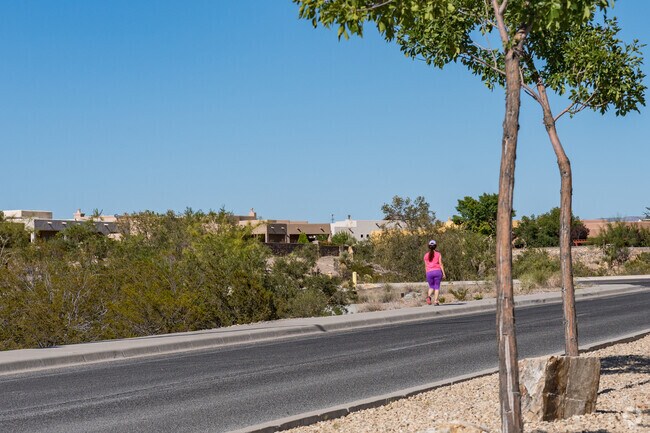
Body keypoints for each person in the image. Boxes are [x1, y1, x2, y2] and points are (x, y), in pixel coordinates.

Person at [424, 239, 446, 305]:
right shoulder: (438, 254)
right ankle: (436, 301)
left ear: (429, 246)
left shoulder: (425, 255)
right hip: (437, 272)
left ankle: (428, 297)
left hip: (429, 272)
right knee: (437, 287)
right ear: (435, 246)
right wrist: (443, 273)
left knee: (431, 286)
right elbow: (441, 264)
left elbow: (425, 266)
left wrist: (426, 273)